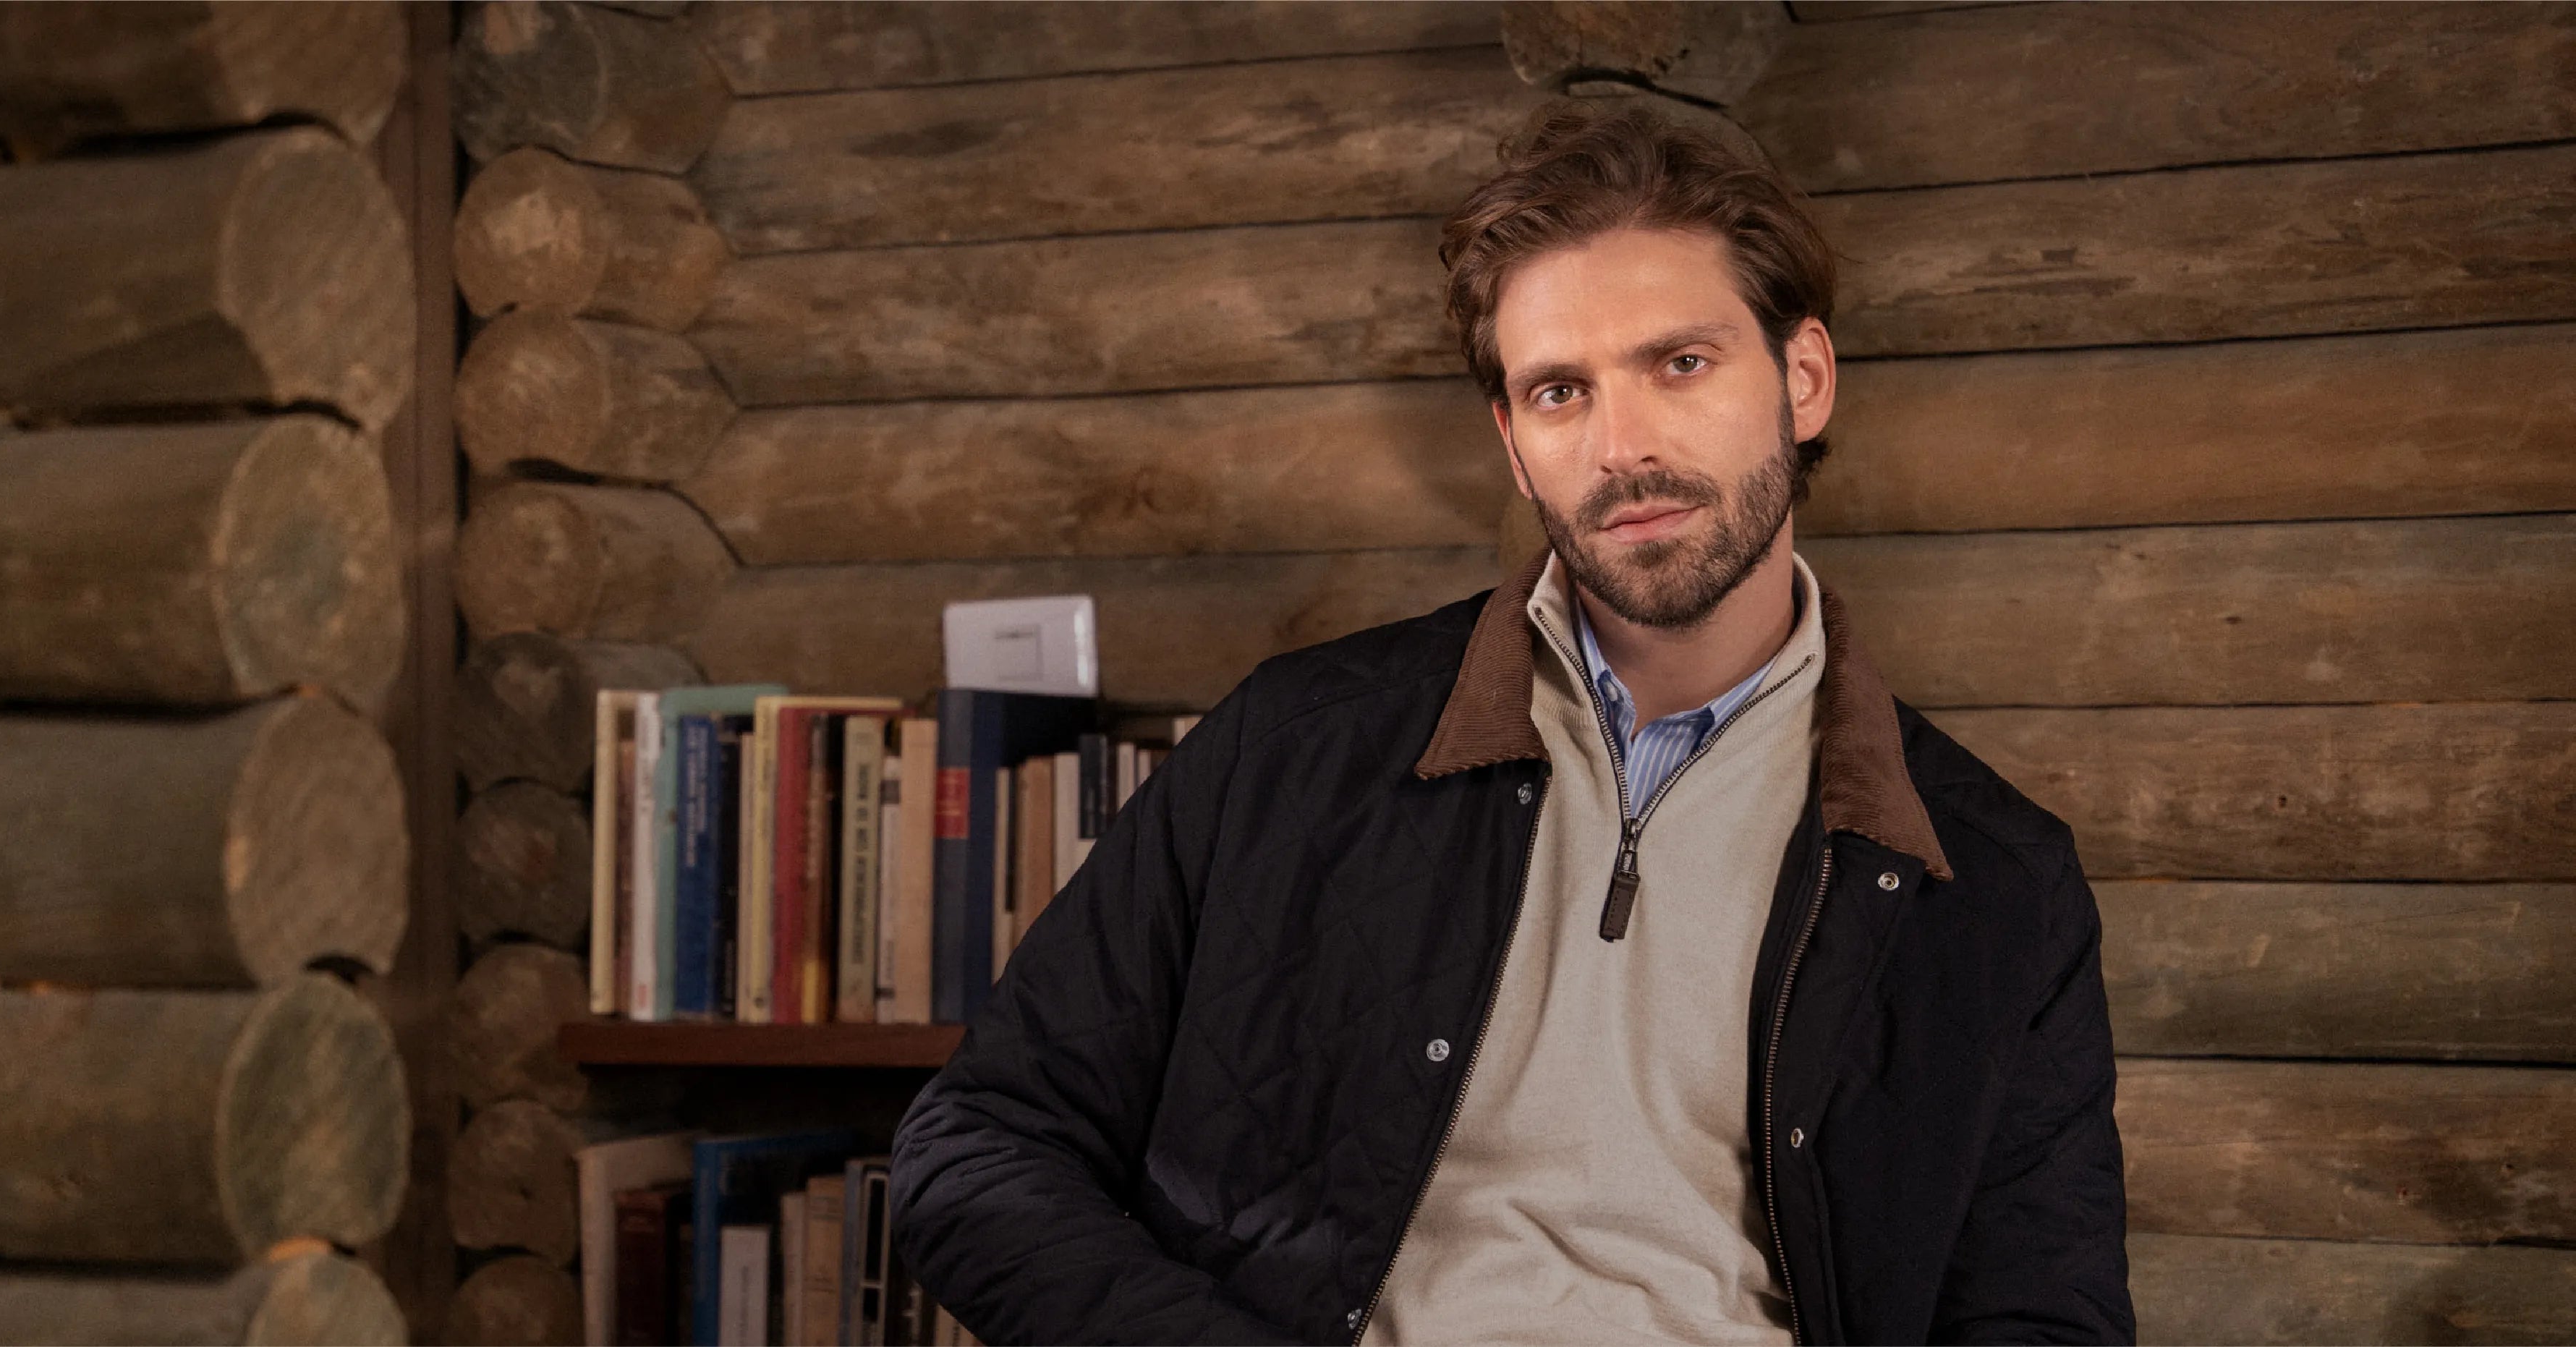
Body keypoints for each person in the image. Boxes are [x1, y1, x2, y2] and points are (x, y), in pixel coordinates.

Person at [890, 101, 2132, 1346]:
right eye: (1559, 391)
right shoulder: (1295, 745)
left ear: (1802, 380)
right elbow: (977, 1145)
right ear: (1514, 443)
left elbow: (2044, 1322)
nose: (1621, 445)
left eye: (1680, 364)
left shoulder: (1996, 881)